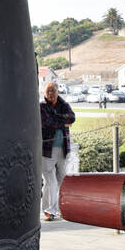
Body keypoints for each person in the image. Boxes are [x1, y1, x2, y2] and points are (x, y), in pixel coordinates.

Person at [41, 81, 75, 221]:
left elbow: (72, 118)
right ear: (44, 93)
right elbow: (47, 122)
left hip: (62, 148)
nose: (50, 93)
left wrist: (57, 119)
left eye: (53, 91)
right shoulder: (41, 106)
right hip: (47, 150)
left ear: (57, 91)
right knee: (50, 181)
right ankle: (49, 210)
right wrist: (62, 120)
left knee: (62, 179)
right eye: (48, 91)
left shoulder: (64, 105)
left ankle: (62, 208)